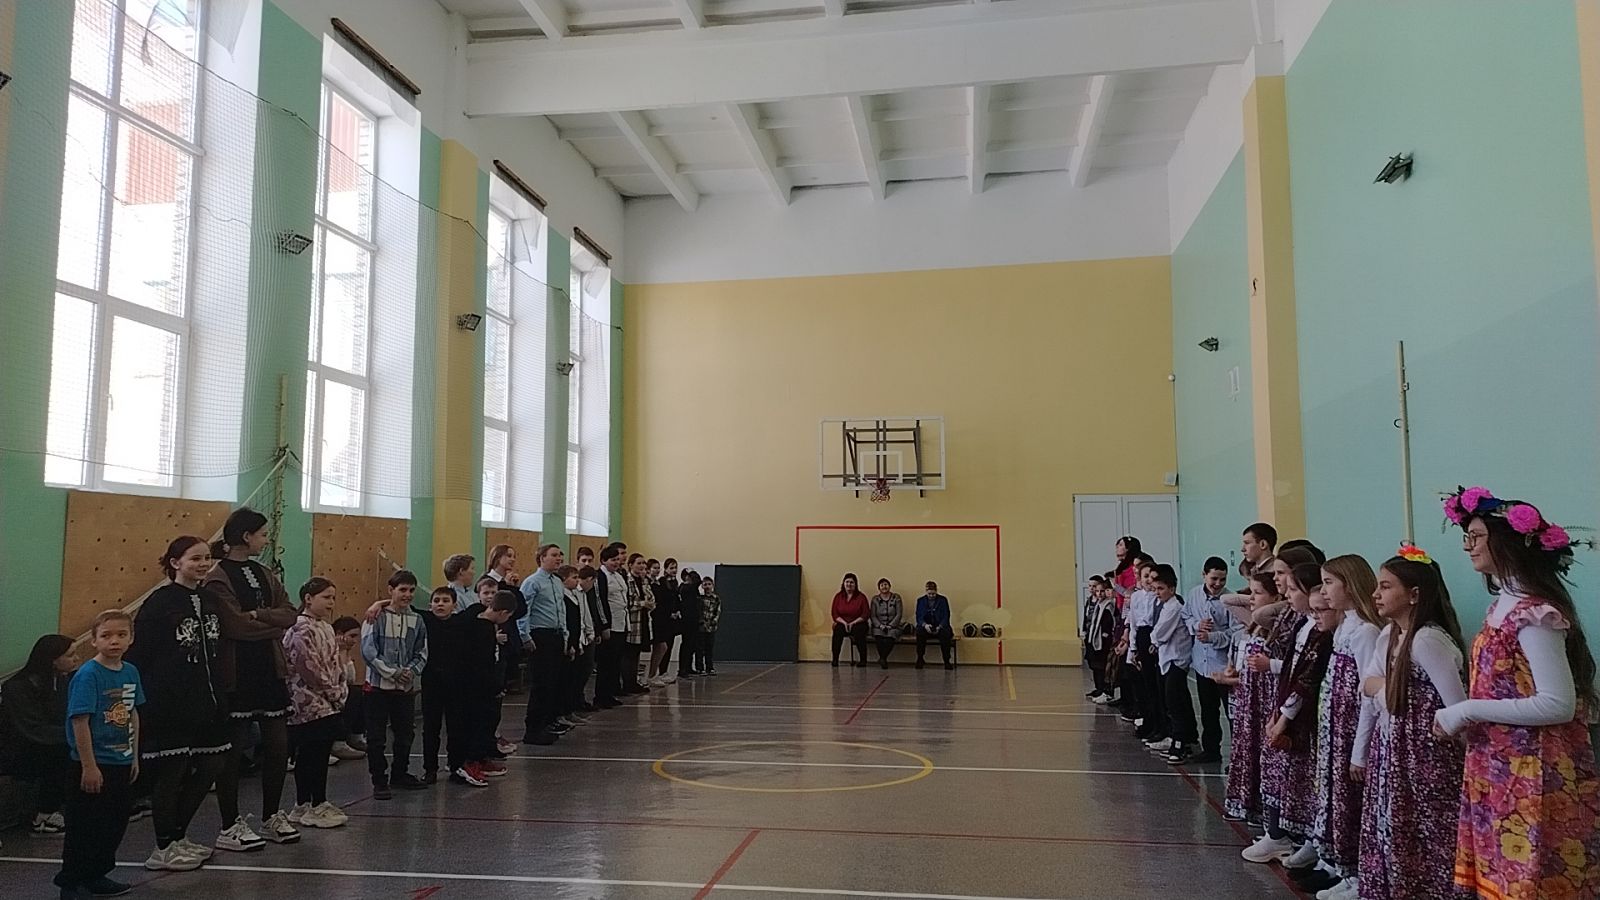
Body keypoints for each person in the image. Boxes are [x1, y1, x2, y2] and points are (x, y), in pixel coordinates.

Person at [1435, 488, 1600, 899]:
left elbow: (1557, 703)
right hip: (1501, 766)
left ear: (1507, 542)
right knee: (1503, 873)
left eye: (1476, 536)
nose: (1468, 546)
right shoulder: (1503, 608)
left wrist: (1466, 710)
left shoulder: (1535, 614)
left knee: (1530, 877)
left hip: (1534, 768)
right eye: (1468, 537)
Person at [1355, 546, 1467, 900]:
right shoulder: (1391, 635)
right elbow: (1366, 682)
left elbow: (1458, 708)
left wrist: (1387, 689)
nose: (1376, 594)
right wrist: (1388, 689)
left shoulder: (1427, 640)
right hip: (1395, 753)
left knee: (1429, 834)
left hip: (1426, 759)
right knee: (1393, 829)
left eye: (1386, 586)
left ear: (1414, 594)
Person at [128, 536, 233, 871]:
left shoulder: (210, 598)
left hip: (209, 700)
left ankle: (178, 834)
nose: (203, 564)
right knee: (171, 773)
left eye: (206, 558)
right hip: (170, 702)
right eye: (194, 558)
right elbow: (142, 652)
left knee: (213, 764)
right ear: (175, 563)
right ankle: (163, 846)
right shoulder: (160, 602)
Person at [203, 507, 299, 850]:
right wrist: (271, 626)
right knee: (234, 749)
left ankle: (271, 815)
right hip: (237, 673)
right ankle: (229, 823)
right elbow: (235, 626)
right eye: (262, 534)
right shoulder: (218, 577)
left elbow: (290, 614)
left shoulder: (264, 573)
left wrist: (259, 615)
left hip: (269, 669)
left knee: (278, 745)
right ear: (246, 536)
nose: (266, 539)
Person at [53, 610, 142, 900]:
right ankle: (71, 882)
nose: (114, 641)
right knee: (84, 826)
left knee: (113, 823)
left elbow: (132, 713)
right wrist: (89, 766)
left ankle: (96, 874)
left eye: (121, 635)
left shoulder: (130, 672)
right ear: (94, 641)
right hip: (93, 762)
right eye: (106, 636)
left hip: (120, 761)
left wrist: (134, 755)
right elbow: (80, 721)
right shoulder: (88, 675)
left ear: (131, 638)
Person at [1309, 555, 1380, 898]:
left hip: (1352, 732)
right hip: (1334, 730)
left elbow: (1369, 695)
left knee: (1353, 802)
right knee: (1335, 797)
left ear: (1350, 586)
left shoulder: (1366, 632)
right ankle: (1338, 864)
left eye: (1329, 583)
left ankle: (1357, 874)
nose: (1324, 591)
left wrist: (1359, 751)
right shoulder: (1345, 627)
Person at [1264, 565, 1336, 873]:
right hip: (1292, 710)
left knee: (1314, 785)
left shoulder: (1325, 633)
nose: (1287, 594)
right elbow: (1292, 671)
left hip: (1310, 719)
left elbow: (1308, 678)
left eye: (1293, 589)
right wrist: (1278, 713)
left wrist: (1284, 717)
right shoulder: (1305, 625)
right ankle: (1294, 836)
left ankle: (1315, 844)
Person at [281, 578, 349, 829]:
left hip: (327, 701)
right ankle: (307, 803)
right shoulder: (300, 628)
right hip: (307, 702)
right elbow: (309, 666)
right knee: (310, 753)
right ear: (308, 599)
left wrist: (340, 689)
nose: (331, 603)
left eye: (333, 598)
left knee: (320, 752)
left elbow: (334, 664)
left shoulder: (326, 628)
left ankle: (315, 801)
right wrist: (331, 691)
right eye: (326, 597)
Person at [360, 570, 429, 800]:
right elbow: (369, 651)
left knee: (405, 733)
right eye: (402, 590)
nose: (407, 594)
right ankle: (379, 780)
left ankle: (400, 773)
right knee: (376, 737)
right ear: (391, 590)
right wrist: (394, 673)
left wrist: (411, 671)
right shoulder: (376, 617)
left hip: (404, 689)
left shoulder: (417, 620)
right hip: (377, 689)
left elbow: (421, 651)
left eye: (411, 590)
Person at [1223, 571, 1285, 824]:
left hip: (1265, 699)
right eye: (1250, 592)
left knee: (1265, 753)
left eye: (1258, 593)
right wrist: (1253, 594)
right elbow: (1227, 600)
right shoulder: (1254, 622)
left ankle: (1262, 808)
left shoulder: (1273, 624)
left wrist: (1280, 601)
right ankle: (1245, 802)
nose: (1251, 598)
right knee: (1246, 748)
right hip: (1248, 698)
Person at [1, 634, 75, 836]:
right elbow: (31, 729)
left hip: (47, 739)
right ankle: (45, 814)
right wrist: (74, 735)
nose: (76, 659)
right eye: (70, 655)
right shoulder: (17, 687)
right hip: (19, 749)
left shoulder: (61, 681)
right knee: (61, 751)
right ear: (52, 659)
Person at [456, 591, 518, 786]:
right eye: (508, 616)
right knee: (479, 725)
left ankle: (480, 759)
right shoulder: (482, 630)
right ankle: (470, 763)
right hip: (478, 687)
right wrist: (494, 686)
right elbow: (483, 664)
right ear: (503, 612)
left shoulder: (476, 614)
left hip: (483, 684)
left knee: (487, 723)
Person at [1182, 558, 1236, 762]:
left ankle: (1238, 757)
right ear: (1204, 575)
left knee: (1232, 713)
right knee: (1208, 710)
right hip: (1202, 664)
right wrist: (1196, 625)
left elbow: (1236, 632)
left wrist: (1214, 636)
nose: (1218, 584)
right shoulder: (1194, 594)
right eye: (1214, 578)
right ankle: (1211, 750)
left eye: (1222, 579)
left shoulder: (1230, 600)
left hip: (1223, 666)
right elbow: (1185, 616)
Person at [520, 544, 570, 745]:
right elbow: (524, 611)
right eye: (554, 555)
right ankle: (533, 729)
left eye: (560, 555)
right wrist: (525, 636)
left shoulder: (557, 581)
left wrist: (565, 634)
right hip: (540, 636)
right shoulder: (532, 582)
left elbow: (561, 610)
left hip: (556, 635)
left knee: (553, 683)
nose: (559, 559)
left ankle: (547, 723)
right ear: (542, 558)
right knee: (541, 684)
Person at [414, 586, 464, 785]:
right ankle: (430, 769)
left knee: (456, 726)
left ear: (454, 605)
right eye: (436, 601)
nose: (440, 604)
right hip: (432, 682)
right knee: (430, 727)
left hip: (456, 683)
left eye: (445, 601)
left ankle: (455, 765)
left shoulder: (461, 623)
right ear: (430, 605)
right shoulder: (425, 620)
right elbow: (403, 606)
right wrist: (378, 604)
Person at [1147, 564, 1196, 763]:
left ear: (1172, 589)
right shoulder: (1165, 606)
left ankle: (1180, 743)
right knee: (1172, 702)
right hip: (1167, 659)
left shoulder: (1174, 608)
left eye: (1161, 589)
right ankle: (1184, 739)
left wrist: (1154, 640)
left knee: (1175, 703)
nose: (1157, 593)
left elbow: (1159, 634)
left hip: (1177, 660)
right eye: (1155, 589)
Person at [594, 544, 629, 708]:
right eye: (612, 560)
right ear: (603, 561)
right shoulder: (601, 576)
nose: (616, 563)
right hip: (610, 624)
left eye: (617, 559)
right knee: (606, 662)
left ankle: (611, 692)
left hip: (621, 623)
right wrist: (604, 625)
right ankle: (601, 696)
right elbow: (600, 601)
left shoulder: (619, 575)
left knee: (615, 661)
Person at [330, 617, 365, 756]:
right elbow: (339, 676)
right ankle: (338, 742)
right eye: (352, 636)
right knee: (353, 695)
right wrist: (341, 652)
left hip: (341, 691)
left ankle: (356, 735)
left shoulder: (346, 652)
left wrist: (346, 653)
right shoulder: (329, 650)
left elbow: (351, 678)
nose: (354, 640)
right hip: (330, 692)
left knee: (358, 691)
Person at [1084, 576, 1119, 703]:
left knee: (1103, 667)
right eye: (1097, 591)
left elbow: (1108, 623)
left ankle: (1106, 691)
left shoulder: (1109, 605)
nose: (1099, 593)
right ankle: (1099, 689)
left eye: (1102, 591)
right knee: (1095, 665)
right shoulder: (1097, 603)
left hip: (1103, 641)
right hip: (1094, 638)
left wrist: (1105, 637)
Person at [622, 553, 653, 695]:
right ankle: (628, 683)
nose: (642, 566)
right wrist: (642, 604)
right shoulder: (628, 580)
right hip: (632, 622)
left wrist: (650, 603)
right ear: (630, 565)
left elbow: (651, 598)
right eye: (638, 563)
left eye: (643, 563)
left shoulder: (644, 580)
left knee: (637, 653)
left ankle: (634, 681)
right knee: (629, 654)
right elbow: (627, 602)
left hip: (643, 620)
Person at [649, 558, 680, 685]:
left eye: (675, 568)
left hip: (669, 618)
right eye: (671, 568)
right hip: (660, 618)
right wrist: (669, 613)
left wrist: (676, 611)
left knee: (666, 646)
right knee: (661, 645)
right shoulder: (661, 582)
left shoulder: (673, 583)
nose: (674, 570)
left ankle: (661, 672)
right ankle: (653, 674)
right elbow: (661, 601)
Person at [830, 574, 870, 667]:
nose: (849, 584)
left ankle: (863, 660)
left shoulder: (861, 597)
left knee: (859, 632)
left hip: (858, 622)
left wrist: (853, 623)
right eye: (847, 582)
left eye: (852, 582)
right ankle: (835, 659)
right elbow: (834, 613)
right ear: (843, 583)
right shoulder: (838, 596)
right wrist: (844, 623)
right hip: (842, 622)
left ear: (855, 584)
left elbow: (866, 614)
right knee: (837, 630)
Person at [915, 582, 955, 669]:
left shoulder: (943, 600)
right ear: (926, 591)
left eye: (933, 594)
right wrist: (925, 625)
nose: (931, 596)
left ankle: (946, 660)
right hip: (926, 626)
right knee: (919, 632)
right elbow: (919, 616)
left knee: (945, 635)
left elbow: (946, 615)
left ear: (936, 591)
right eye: (929, 594)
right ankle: (920, 658)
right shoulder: (920, 601)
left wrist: (940, 626)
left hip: (940, 626)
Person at [869, 579, 904, 669]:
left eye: (886, 584)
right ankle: (883, 659)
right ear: (879, 588)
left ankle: (882, 658)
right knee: (878, 636)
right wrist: (880, 625)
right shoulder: (875, 599)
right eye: (882, 585)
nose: (884, 587)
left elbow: (899, 614)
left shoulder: (896, 598)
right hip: (879, 626)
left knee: (891, 636)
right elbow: (873, 615)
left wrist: (891, 625)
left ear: (890, 586)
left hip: (893, 626)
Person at [677, 570, 703, 677]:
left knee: (692, 644)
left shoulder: (694, 589)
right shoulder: (685, 587)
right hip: (687, 619)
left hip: (694, 619)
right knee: (686, 644)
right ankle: (682, 669)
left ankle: (688, 667)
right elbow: (698, 581)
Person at [696, 578, 721, 676]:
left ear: (713, 585)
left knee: (709, 648)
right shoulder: (700, 598)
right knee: (700, 648)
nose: (707, 586)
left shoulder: (716, 598)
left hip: (711, 627)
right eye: (705, 584)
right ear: (702, 586)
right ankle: (700, 668)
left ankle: (709, 667)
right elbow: (698, 611)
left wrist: (713, 621)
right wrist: (702, 622)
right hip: (701, 628)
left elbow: (717, 611)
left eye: (709, 584)